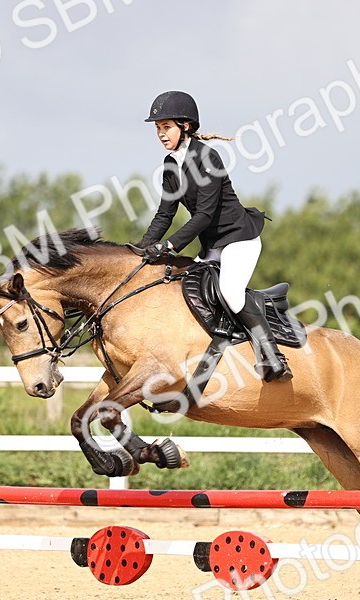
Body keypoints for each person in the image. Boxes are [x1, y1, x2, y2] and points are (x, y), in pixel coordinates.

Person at [134, 90, 291, 383]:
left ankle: (273, 355)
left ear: (186, 126)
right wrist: (141, 249)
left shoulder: (208, 158)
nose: (160, 134)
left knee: (231, 292)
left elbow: (204, 215)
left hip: (238, 239)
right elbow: (164, 215)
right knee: (181, 290)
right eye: (157, 128)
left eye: (165, 127)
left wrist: (168, 245)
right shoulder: (170, 166)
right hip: (211, 247)